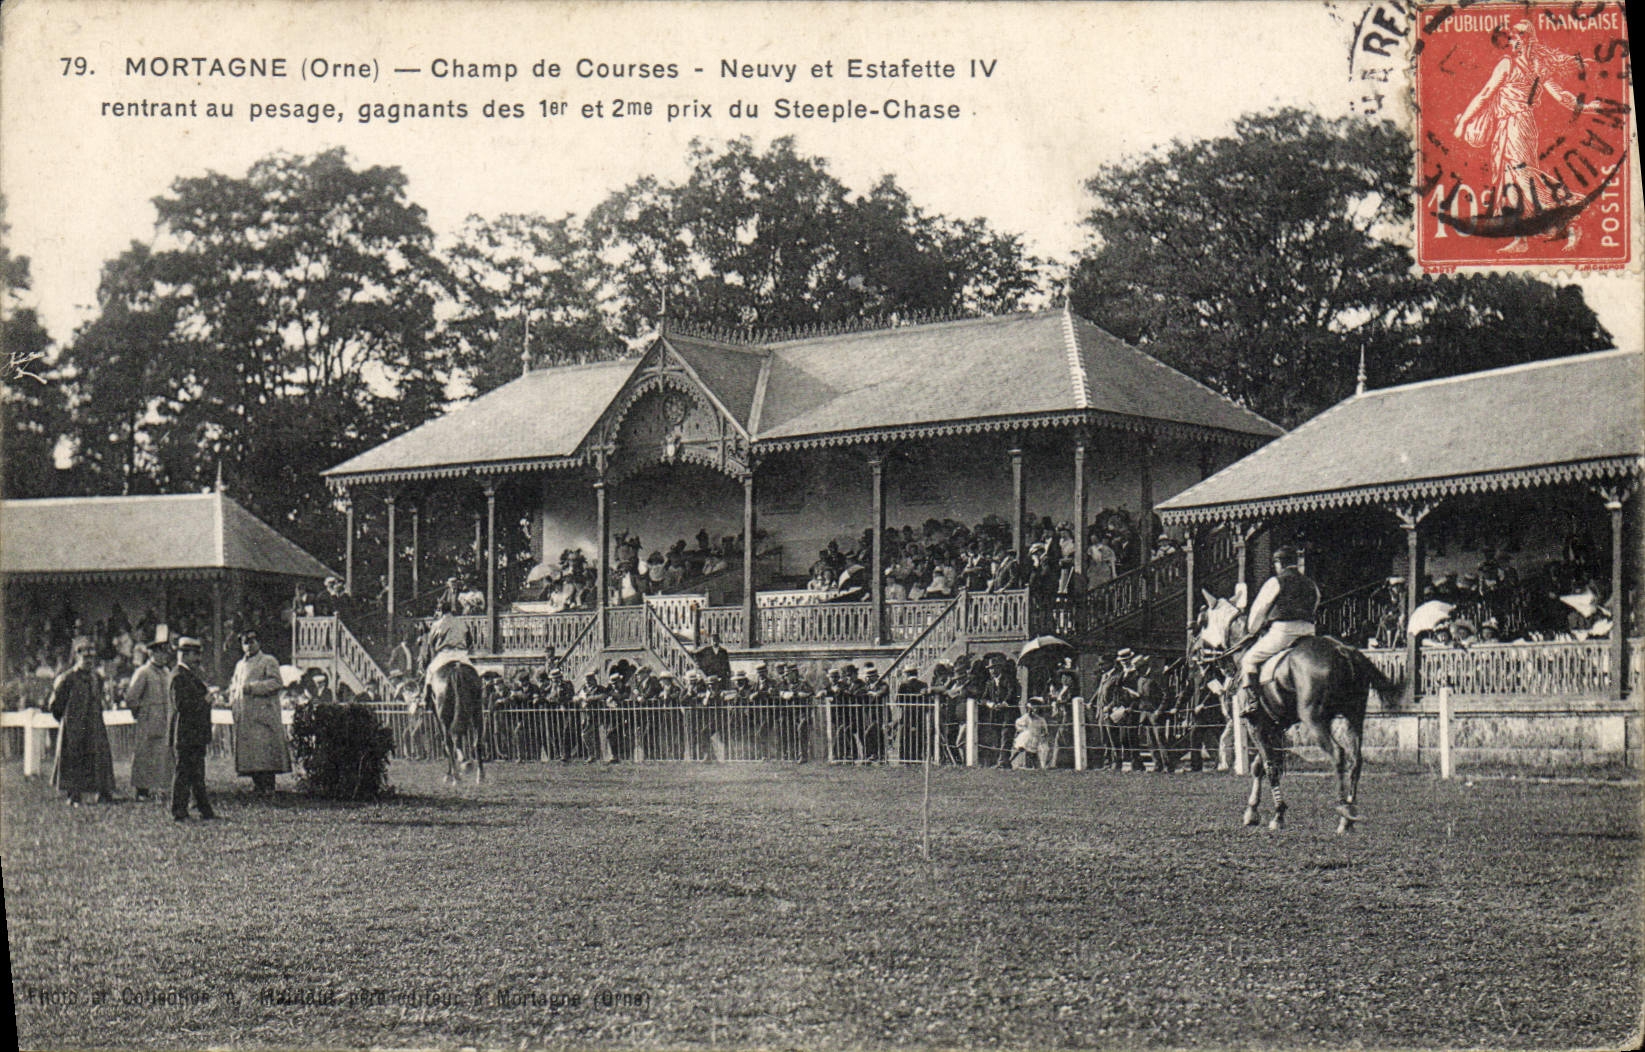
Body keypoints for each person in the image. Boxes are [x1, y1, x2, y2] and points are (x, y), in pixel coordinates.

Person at [1234, 545, 1319, 721]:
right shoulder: (1311, 584)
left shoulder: (1275, 582)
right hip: (1308, 631)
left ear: (1279, 563)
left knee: (1249, 659)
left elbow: (1259, 610)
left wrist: (1252, 629)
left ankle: (1252, 703)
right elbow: (1316, 603)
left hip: (1283, 632)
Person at [50, 635, 118, 806]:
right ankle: (74, 794)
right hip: (74, 726)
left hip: (94, 724)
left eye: (91, 657)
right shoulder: (66, 679)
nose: (89, 661)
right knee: (74, 758)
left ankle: (103, 792)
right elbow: (55, 704)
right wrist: (67, 721)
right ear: (77, 656)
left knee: (99, 757)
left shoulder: (97, 678)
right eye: (85, 657)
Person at [229, 630, 289, 793]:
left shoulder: (268, 661)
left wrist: (253, 688)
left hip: (263, 714)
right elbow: (234, 684)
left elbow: (276, 683)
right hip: (245, 714)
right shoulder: (240, 665)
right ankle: (258, 785)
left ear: (259, 643)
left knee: (264, 751)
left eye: (252, 641)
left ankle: (268, 785)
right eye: (245, 642)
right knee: (251, 752)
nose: (249, 645)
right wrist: (232, 700)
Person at [125, 626, 176, 800]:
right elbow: (131, 697)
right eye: (159, 653)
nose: (163, 656)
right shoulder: (143, 672)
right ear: (151, 654)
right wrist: (143, 713)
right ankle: (142, 790)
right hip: (148, 721)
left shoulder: (166, 672)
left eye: (165, 653)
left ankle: (160, 788)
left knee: (162, 755)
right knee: (144, 754)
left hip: (164, 719)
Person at [168, 636, 216, 821]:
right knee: (184, 773)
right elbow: (181, 705)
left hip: (194, 733)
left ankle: (204, 810)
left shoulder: (188, 675)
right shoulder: (179, 676)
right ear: (184, 655)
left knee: (196, 773)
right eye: (195, 655)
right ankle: (179, 810)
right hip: (185, 733)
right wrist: (204, 701)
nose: (198, 659)